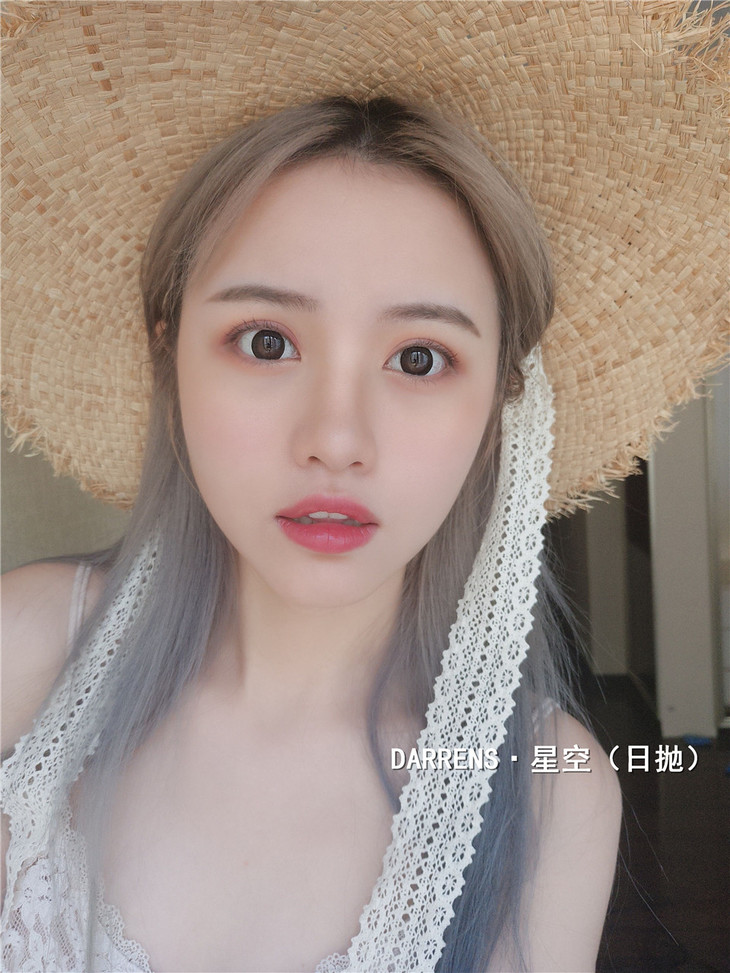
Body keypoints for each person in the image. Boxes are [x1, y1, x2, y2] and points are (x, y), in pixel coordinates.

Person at [1, 4, 726, 973]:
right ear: (169, 357)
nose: (336, 440)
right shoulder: (25, 652)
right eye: (267, 341)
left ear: (500, 403)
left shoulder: (551, 792)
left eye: (419, 357)